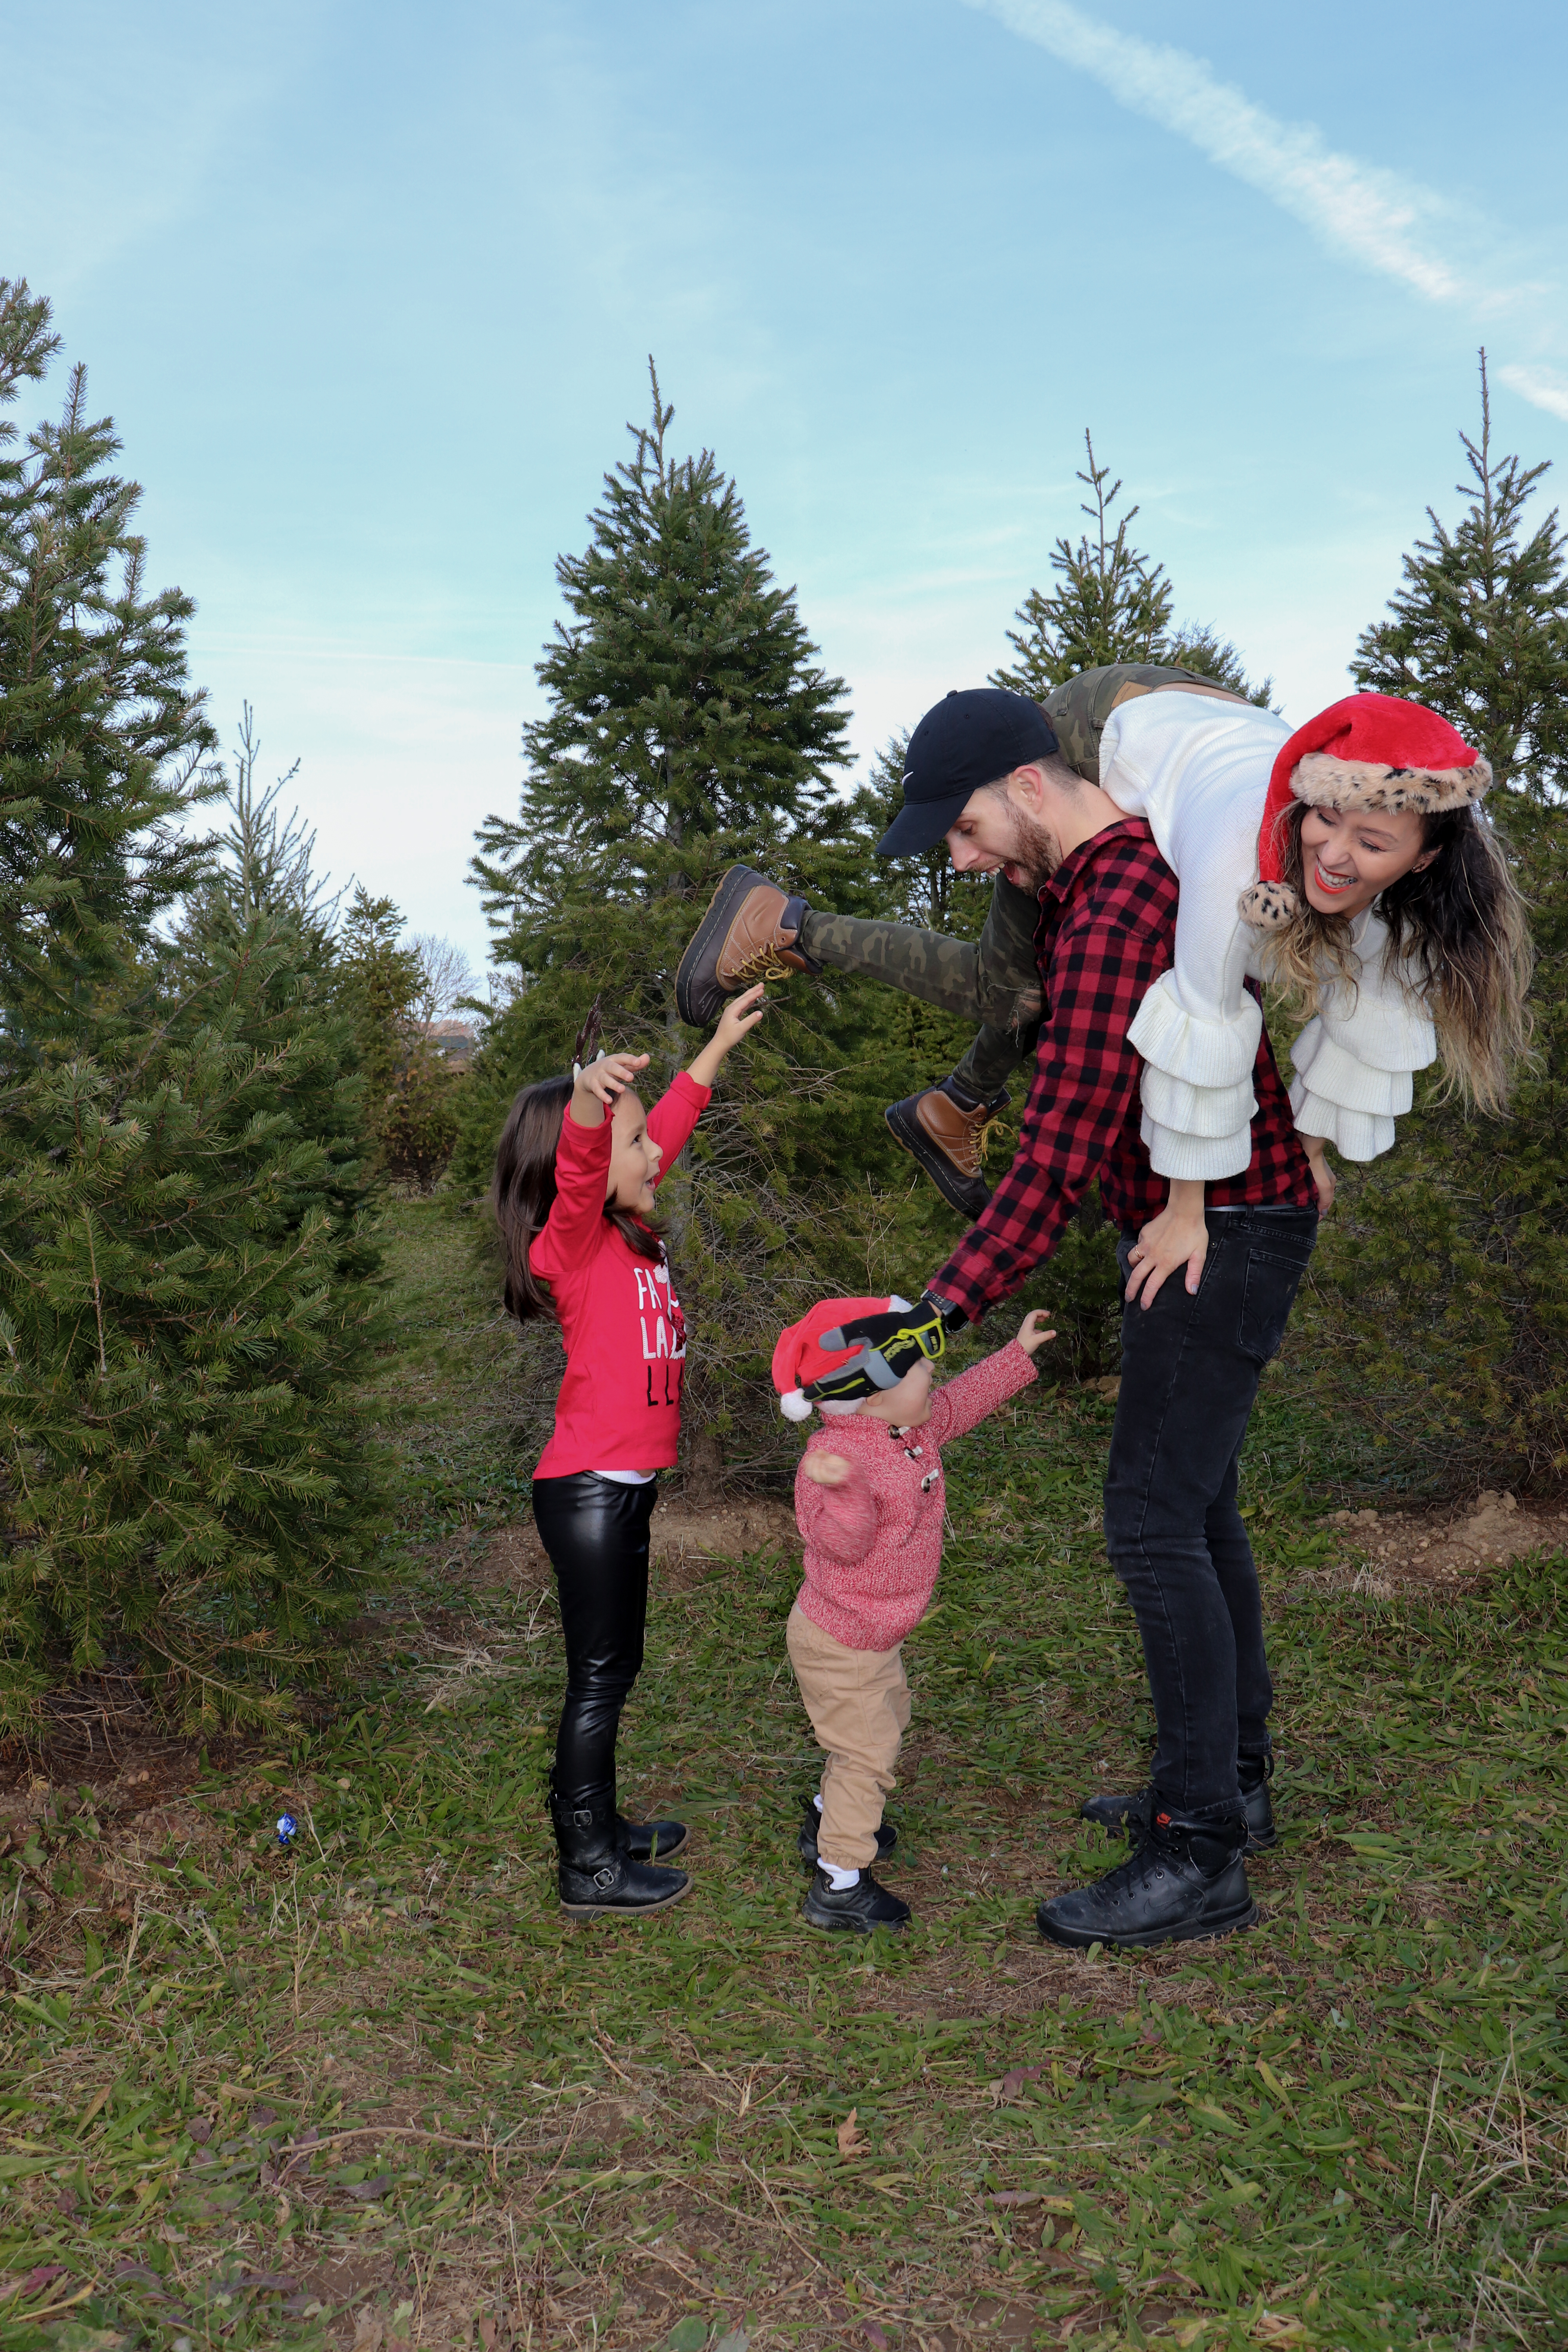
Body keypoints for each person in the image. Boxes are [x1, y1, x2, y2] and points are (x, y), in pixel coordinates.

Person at [680, 685, 1323, 1950]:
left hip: (1224, 1231)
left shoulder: (1121, 904)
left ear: (1032, 785)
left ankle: (1199, 1853)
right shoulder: (1093, 895)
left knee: (1152, 1525)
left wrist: (934, 1312)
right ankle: (1230, 1789)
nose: (963, 859)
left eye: (965, 830)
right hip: (1205, 1226)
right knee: (1198, 1513)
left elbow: (1058, 1155)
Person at [674, 669, 1530, 1247]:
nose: (1340, 857)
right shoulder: (1248, 857)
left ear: (1420, 854)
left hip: (1187, 720)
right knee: (1018, 980)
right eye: (1332, 833)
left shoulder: (1401, 881)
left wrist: (1307, 1153)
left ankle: (956, 1105)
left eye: (1373, 845)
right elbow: (1206, 1018)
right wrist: (1183, 1211)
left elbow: (1367, 1017)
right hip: (1109, 726)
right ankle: (783, 926)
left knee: (1067, 967)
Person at [491, 985, 767, 1918]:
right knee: (599, 1678)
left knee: (617, 1669)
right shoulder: (568, 1245)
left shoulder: (624, 1230)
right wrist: (583, 1103)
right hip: (589, 1493)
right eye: (636, 1143)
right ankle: (588, 1864)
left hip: (621, 1491)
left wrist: (715, 1050)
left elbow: (654, 1139)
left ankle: (601, 1824)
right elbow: (581, 1170)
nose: (655, 1155)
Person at [775, 1294, 1055, 1933]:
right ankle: (839, 1881)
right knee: (868, 1750)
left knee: (885, 1721)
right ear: (870, 1393)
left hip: (874, 1634)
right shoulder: (836, 1463)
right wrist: (844, 1490)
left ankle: (829, 1814)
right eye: (920, 1369)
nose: (934, 1375)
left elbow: (960, 1402)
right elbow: (843, 1544)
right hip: (841, 1637)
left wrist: (1016, 1357)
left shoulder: (911, 1427)